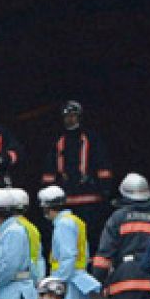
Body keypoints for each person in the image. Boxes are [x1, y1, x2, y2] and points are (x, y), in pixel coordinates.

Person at [39, 100, 114, 244]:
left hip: (90, 199)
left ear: (79, 117)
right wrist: (48, 191)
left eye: (73, 115)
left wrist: (104, 189)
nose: (70, 119)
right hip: (65, 199)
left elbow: (102, 163)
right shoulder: (57, 141)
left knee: (90, 236)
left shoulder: (92, 139)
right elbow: (49, 168)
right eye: (67, 116)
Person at [38, 185, 100, 299]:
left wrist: (57, 284)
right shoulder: (74, 221)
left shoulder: (63, 225)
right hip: (76, 280)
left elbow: (67, 257)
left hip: (68, 282)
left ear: (47, 207)